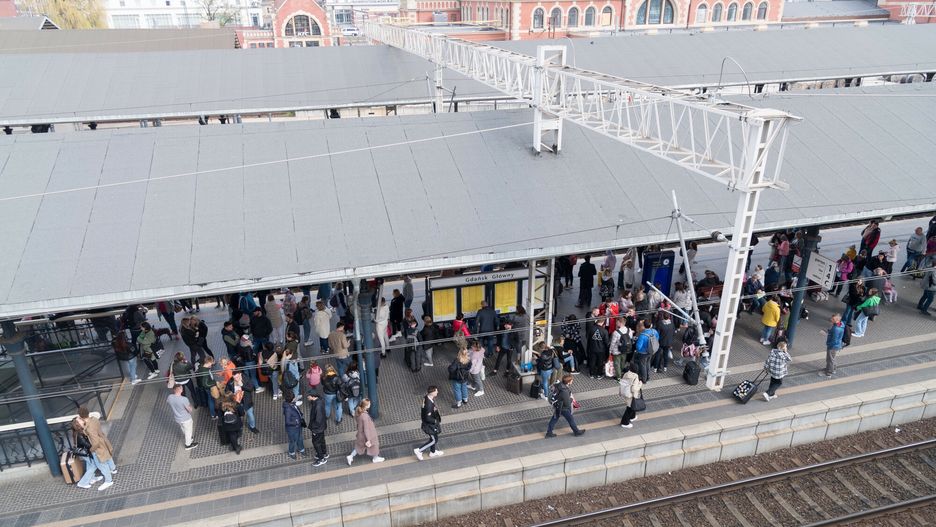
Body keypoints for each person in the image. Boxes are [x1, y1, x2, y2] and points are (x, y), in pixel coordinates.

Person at [73, 407, 116, 490]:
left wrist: (92, 450)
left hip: (97, 449)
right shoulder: (94, 419)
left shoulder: (89, 428)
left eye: (79, 418)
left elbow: (95, 442)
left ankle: (108, 481)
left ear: (81, 417)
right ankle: (111, 471)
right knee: (104, 461)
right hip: (103, 443)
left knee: (102, 465)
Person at [347, 399, 384, 465]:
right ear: (366, 406)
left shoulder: (358, 412)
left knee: (359, 447)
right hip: (368, 435)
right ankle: (375, 458)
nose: (370, 404)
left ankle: (350, 456)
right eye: (369, 404)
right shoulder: (365, 416)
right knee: (374, 444)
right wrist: (368, 439)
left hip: (360, 435)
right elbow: (366, 429)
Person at [414, 386, 443, 460]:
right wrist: (435, 421)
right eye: (436, 391)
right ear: (432, 392)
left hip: (430, 424)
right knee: (434, 440)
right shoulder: (429, 405)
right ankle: (419, 450)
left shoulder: (426, 398)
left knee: (434, 437)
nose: (437, 392)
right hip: (430, 425)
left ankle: (432, 452)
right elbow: (428, 418)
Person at [167, 384, 198, 450]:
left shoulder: (170, 397)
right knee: (188, 431)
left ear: (174, 390)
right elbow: (190, 410)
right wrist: (190, 406)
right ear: (180, 390)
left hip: (177, 418)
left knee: (183, 428)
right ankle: (188, 445)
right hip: (186, 418)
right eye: (181, 388)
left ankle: (189, 438)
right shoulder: (184, 399)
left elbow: (169, 402)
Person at [306, 390, 329, 467]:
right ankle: (324, 453)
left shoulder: (317, 406)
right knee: (321, 440)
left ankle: (321, 458)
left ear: (313, 396)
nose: (307, 397)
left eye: (308, 396)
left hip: (317, 428)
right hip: (322, 427)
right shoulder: (320, 401)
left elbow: (318, 420)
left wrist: (313, 429)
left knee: (316, 443)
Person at [282, 392, 305, 459]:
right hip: (292, 429)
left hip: (298, 426)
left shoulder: (291, 404)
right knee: (292, 441)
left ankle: (301, 449)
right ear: (292, 399)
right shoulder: (288, 409)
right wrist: (296, 422)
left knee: (300, 438)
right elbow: (287, 422)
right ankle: (291, 452)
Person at [618, 364, 642, 429]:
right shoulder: (635, 376)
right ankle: (624, 423)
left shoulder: (626, 374)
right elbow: (634, 389)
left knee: (632, 406)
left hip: (626, 392)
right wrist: (640, 385)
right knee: (629, 408)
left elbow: (622, 383)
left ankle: (632, 417)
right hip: (631, 395)